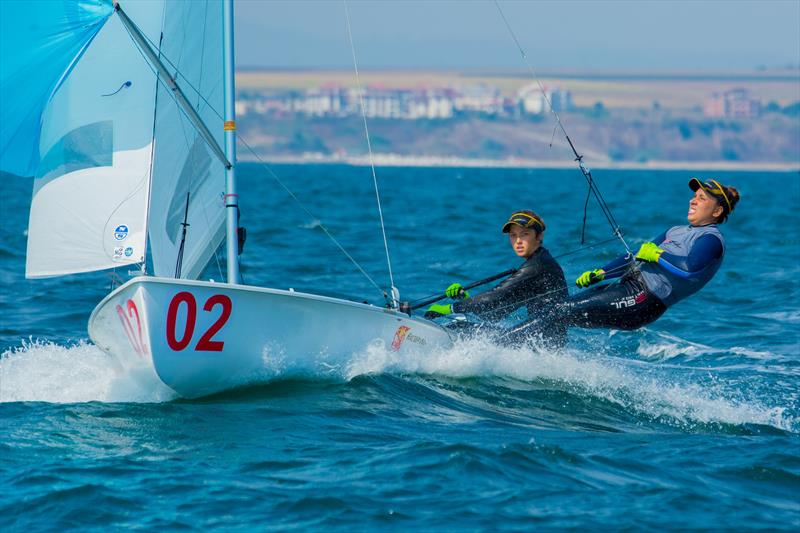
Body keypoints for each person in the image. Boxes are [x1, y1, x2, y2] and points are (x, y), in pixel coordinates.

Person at [501, 178, 740, 342]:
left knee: (560, 310)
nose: (693, 200)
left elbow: (690, 269)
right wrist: (602, 273)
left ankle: (502, 344)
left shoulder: (712, 239)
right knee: (556, 311)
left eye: (702, 198)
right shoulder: (676, 230)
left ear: (717, 211)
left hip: (644, 300)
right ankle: (537, 354)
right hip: (626, 288)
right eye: (694, 196)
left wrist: (658, 254)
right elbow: (635, 256)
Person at [425, 210, 569, 347]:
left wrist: (451, 308)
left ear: (539, 236)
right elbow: (496, 313)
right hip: (543, 344)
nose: (518, 241)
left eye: (524, 234)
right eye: (513, 235)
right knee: (462, 327)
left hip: (540, 346)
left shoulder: (537, 266)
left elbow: (494, 296)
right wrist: (464, 298)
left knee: (460, 327)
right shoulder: (540, 261)